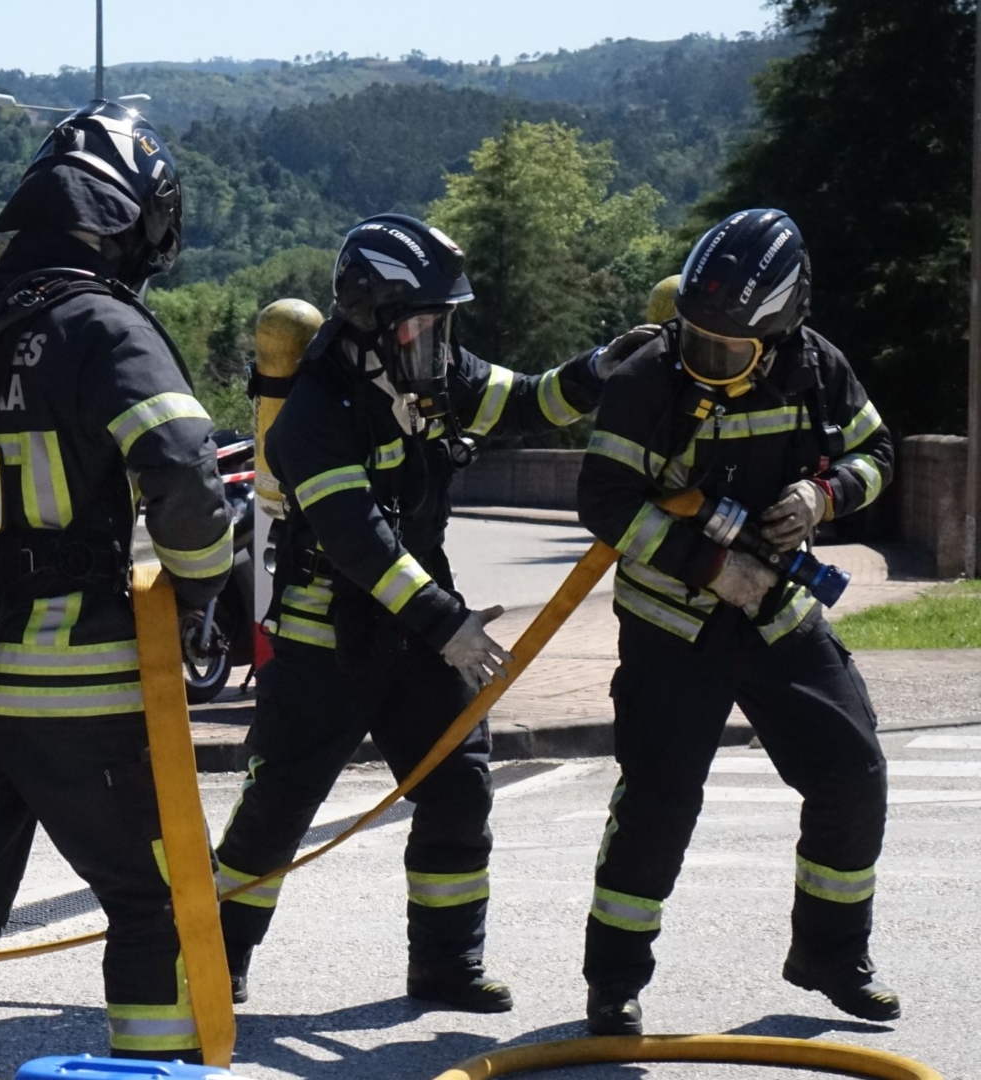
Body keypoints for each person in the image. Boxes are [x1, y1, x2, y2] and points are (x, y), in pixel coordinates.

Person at [0, 100, 232, 1078]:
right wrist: (202, 589)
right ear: (122, 220)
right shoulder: (99, 324)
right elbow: (186, 469)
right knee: (156, 901)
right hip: (75, 682)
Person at [214, 214, 622, 1010]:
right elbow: (360, 544)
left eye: (444, 323)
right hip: (327, 637)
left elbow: (525, 401)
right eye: (424, 323)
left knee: (459, 790)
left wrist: (602, 368)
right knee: (277, 810)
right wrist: (450, 627)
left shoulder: (429, 374)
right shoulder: (313, 414)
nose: (440, 339)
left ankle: (445, 968)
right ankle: (214, 960)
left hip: (419, 629)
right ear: (374, 321)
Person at [576, 208, 896, 1035]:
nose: (706, 362)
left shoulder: (819, 367)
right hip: (671, 629)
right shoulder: (649, 376)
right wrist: (714, 567)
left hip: (780, 617)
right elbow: (604, 501)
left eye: (730, 351)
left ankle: (829, 952)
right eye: (695, 337)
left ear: (784, 327)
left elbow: (878, 455)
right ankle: (614, 982)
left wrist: (822, 494)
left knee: (852, 774)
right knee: (658, 802)